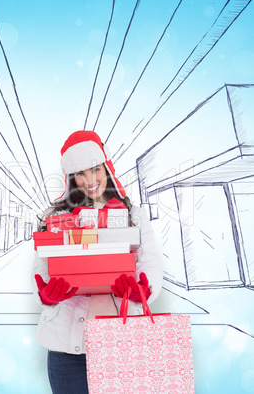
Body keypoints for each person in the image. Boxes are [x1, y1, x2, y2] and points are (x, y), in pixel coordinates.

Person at [32, 130, 163, 394]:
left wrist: (144, 289)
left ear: (107, 168)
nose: (89, 181)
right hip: (66, 350)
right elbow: (41, 268)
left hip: (122, 345)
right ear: (71, 178)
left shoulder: (134, 215)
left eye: (95, 170)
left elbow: (150, 262)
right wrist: (45, 293)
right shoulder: (57, 217)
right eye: (80, 173)